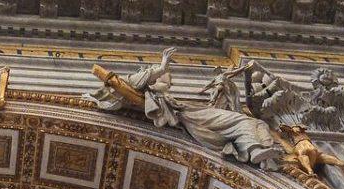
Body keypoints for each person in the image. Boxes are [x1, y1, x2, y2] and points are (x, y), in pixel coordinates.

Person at [85, 47, 279, 168]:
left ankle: (256, 150)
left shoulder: (162, 96)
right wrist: (161, 66)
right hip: (190, 115)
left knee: (257, 123)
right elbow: (127, 83)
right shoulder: (150, 94)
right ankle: (254, 149)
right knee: (242, 121)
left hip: (193, 111)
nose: (169, 82)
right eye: (164, 78)